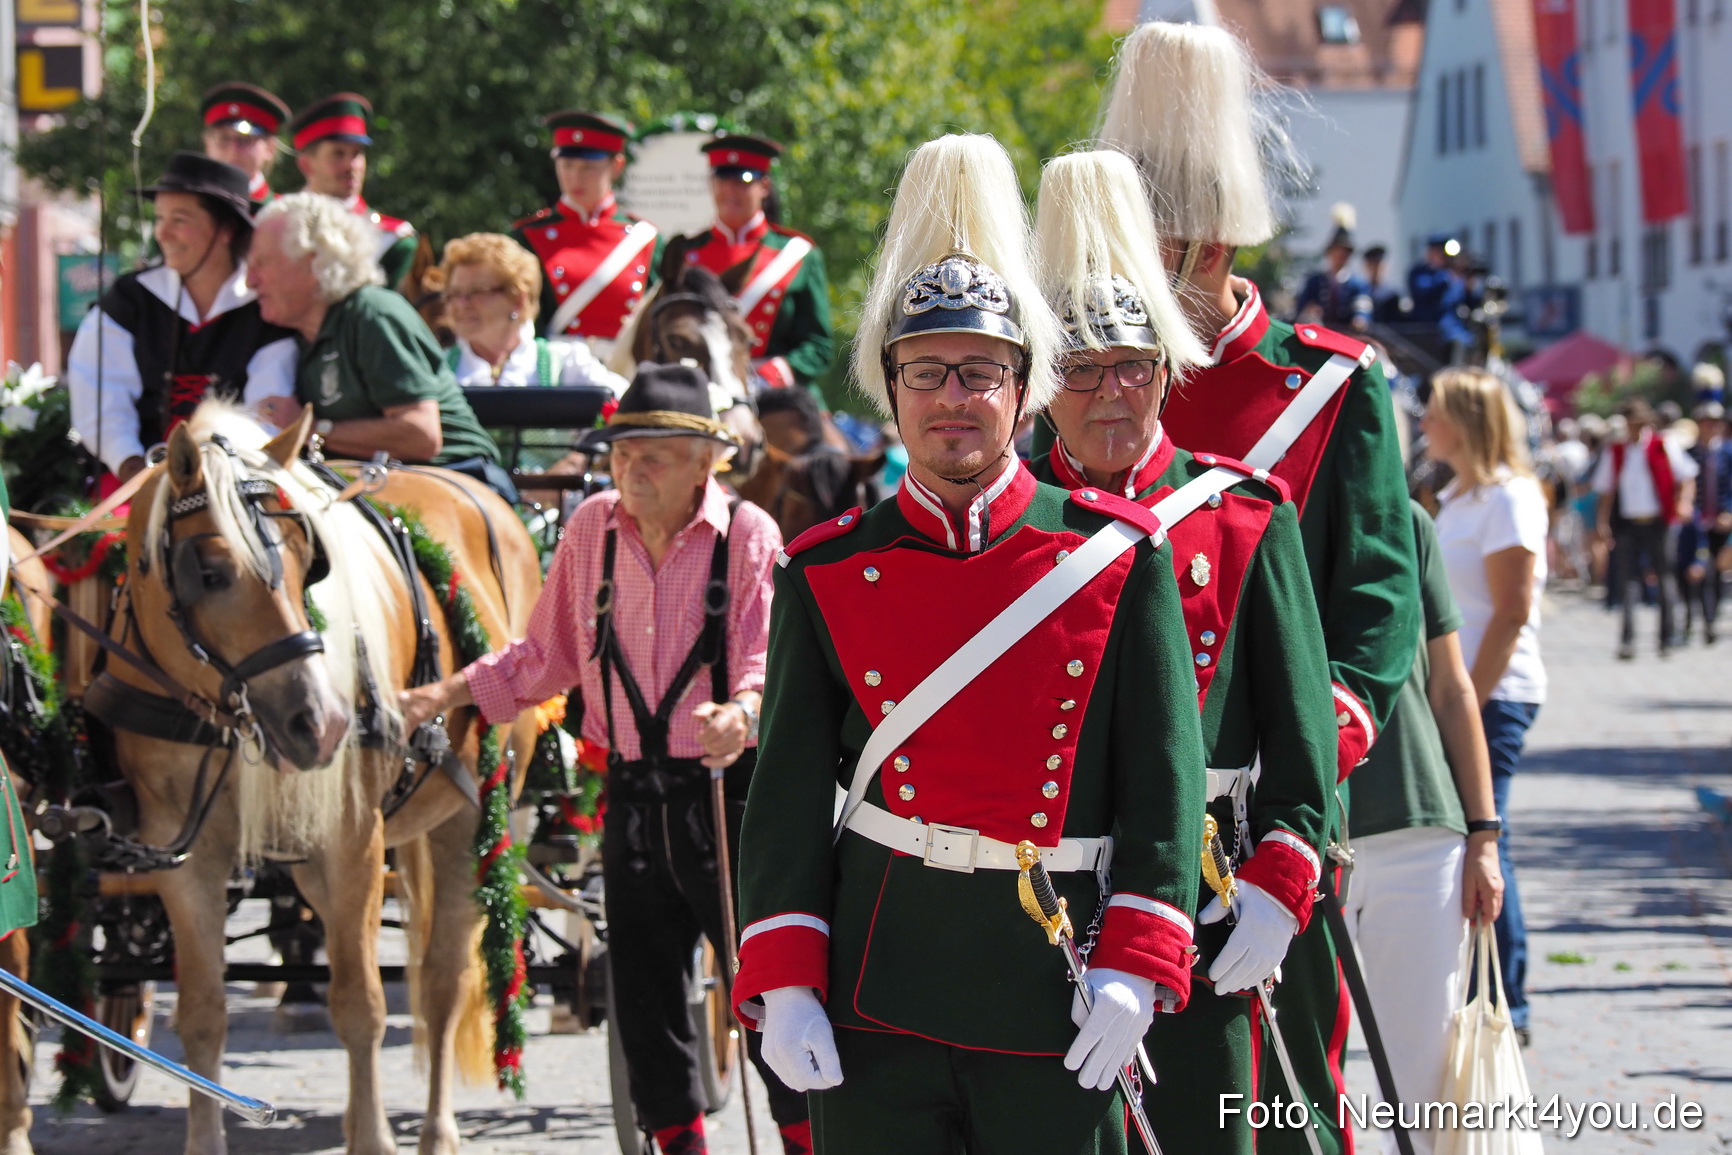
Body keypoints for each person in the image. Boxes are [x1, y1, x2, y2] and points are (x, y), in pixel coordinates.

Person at [732, 133, 1207, 1155]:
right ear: (891, 389)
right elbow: (782, 797)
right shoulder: (822, 569)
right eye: (928, 372)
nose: (954, 397)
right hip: (877, 987)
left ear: (1021, 387)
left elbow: (1161, 782)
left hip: (1055, 982)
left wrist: (1140, 950)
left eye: (981, 373)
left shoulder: (1114, 556)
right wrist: (782, 975)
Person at [1099, 23, 1420, 1155]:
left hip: (1255, 803)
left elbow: (1375, 602)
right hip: (1102, 812)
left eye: (1181, 238)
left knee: (1280, 1107)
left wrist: (1301, 760)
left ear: (1227, 232)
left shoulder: (1330, 385)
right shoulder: (1087, 385)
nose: (1162, 261)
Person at [398, 363, 811, 1155]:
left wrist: (745, 710)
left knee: (765, 991)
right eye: (622, 453)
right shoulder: (592, 528)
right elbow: (542, 658)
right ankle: (677, 1141)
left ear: (706, 462)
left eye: (653, 453)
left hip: (725, 795)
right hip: (631, 792)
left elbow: (768, 662)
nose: (632, 469)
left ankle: (804, 1137)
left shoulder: (748, 533)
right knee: (645, 996)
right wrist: (445, 694)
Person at [1030, 148, 1335, 1155]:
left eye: (1133, 366)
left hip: (1208, 893)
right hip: (1046, 905)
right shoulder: (1014, 520)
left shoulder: (1244, 516)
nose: (1109, 393)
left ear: (1167, 371)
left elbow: (1301, 737)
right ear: (1043, 385)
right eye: (1080, 368)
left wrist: (1285, 879)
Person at [1342, 499, 1504, 1155]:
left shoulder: (1404, 520)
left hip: (1418, 825)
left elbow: (1451, 685)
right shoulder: (1247, 503)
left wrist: (1485, 832)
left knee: (1425, 1084)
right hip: (1283, 836)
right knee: (1286, 1083)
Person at [1420, 366, 1548, 1047]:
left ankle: (1509, 996)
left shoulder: (1509, 497)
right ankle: (1487, 984)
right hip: (1464, 689)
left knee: (1486, 830)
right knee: (1477, 830)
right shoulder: (1461, 497)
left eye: (1435, 412)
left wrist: (1472, 694)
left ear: (1465, 421)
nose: (1424, 423)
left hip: (1495, 690)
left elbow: (1513, 610)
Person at [247, 193, 506, 497]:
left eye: (263, 263)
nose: (251, 280)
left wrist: (310, 428)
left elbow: (421, 436)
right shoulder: (304, 334)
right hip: (386, 487)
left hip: (458, 481)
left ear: (313, 261)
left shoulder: (373, 314)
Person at [68, 152, 297, 483]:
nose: (163, 233)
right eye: (159, 219)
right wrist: (136, 469)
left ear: (226, 230)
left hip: (233, 482)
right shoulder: (129, 302)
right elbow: (101, 405)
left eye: (180, 220)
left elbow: (265, 415)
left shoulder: (262, 311)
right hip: (132, 480)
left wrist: (211, 484)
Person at [659, 134, 833, 389]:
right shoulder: (684, 253)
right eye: (721, 179)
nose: (730, 190)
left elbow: (819, 346)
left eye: (743, 180)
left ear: (764, 186)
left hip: (774, 391)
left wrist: (774, 373)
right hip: (699, 386)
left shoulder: (798, 255)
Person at [508, 111, 658, 361]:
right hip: (553, 373)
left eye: (588, 167)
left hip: (626, 373)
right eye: (567, 165)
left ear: (616, 166)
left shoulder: (647, 239)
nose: (575, 177)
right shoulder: (527, 237)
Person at [438, 232, 627, 391]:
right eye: (454, 293)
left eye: (476, 291)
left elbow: (628, 405)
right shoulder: (433, 370)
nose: (461, 303)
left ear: (518, 300)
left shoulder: (565, 365)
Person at [1593, 397, 1698, 659]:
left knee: (1664, 578)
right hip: (1628, 523)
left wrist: (1683, 503)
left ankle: (1665, 638)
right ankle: (1628, 640)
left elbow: (1687, 475)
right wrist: (1603, 522)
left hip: (1658, 521)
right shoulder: (1616, 451)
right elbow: (1607, 490)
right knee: (1627, 581)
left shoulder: (1663, 445)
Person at [289, 93, 419, 289]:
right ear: (306, 164)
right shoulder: (277, 225)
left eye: (357, 154)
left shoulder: (391, 240)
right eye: (338, 154)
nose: (352, 165)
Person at [1680, 400, 1731, 643]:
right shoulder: (1689, 454)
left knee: (1715, 573)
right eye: (1708, 422)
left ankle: (1710, 621)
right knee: (1692, 572)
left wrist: (1729, 512)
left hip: (1720, 525)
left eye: (1716, 422)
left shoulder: (1727, 454)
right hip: (1694, 524)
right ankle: (1690, 619)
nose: (1713, 427)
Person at [199, 82, 291, 206]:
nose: (233, 149)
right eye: (223, 139)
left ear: (270, 148)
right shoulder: (186, 208)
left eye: (245, 140)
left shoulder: (283, 214)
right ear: (207, 144)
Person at [1293, 204, 1370, 332]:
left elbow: (1362, 307)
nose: (1340, 256)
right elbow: (1302, 306)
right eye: (1337, 251)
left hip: (1348, 336)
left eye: (1345, 253)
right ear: (1329, 252)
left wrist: (1360, 319)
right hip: (1320, 336)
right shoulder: (1315, 282)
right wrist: (1308, 311)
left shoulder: (1357, 284)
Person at [1407, 235, 1471, 358]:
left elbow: (1463, 301)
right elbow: (1423, 293)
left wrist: (1470, 287)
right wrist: (1445, 277)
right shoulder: (1419, 273)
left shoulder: (1454, 275)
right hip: (1427, 331)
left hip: (1452, 332)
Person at [1362, 244, 1403, 324]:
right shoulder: (1361, 290)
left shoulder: (1392, 293)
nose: (1375, 269)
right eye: (1372, 265)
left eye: (1378, 265)